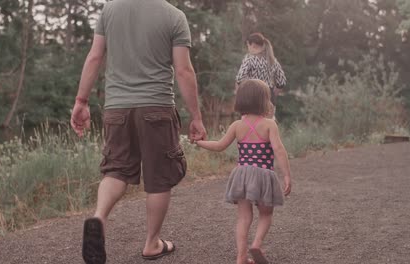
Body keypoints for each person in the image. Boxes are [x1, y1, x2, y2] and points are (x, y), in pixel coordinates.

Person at [70, 1, 206, 263]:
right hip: (157, 107)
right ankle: (152, 243)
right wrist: (196, 117)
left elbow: (95, 56)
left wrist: (81, 101)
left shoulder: (109, 10)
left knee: (116, 170)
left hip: (117, 108)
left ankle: (98, 217)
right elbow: (183, 70)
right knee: (159, 177)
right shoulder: (174, 16)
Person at [196, 79, 291, 264]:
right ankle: (256, 243)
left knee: (243, 217)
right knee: (266, 213)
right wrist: (287, 174)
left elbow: (219, 146)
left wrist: (198, 142)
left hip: (242, 175)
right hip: (263, 174)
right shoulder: (270, 125)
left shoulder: (237, 125)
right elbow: (279, 149)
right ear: (264, 101)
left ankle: (241, 257)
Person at [235, 33, 287, 118]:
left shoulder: (249, 59)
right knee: (268, 126)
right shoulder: (273, 60)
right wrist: (271, 93)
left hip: (252, 97)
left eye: (248, 46)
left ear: (251, 44)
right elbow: (281, 82)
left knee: (250, 126)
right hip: (269, 98)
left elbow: (240, 79)